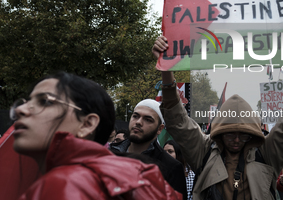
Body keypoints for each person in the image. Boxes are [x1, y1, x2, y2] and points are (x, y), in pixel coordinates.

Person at [152, 35, 283, 200]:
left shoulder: (266, 153)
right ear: (219, 131)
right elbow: (178, 120)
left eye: (243, 134)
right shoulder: (203, 151)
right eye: (229, 134)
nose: (236, 140)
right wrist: (166, 70)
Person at [11, 71, 181, 200]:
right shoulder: (119, 172)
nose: (20, 110)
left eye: (45, 101)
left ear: (87, 124)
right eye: (135, 116)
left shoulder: (66, 184)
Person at [110, 99, 187, 199]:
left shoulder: (171, 167)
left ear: (159, 129)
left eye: (148, 119)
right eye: (135, 116)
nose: (138, 122)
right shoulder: (109, 154)